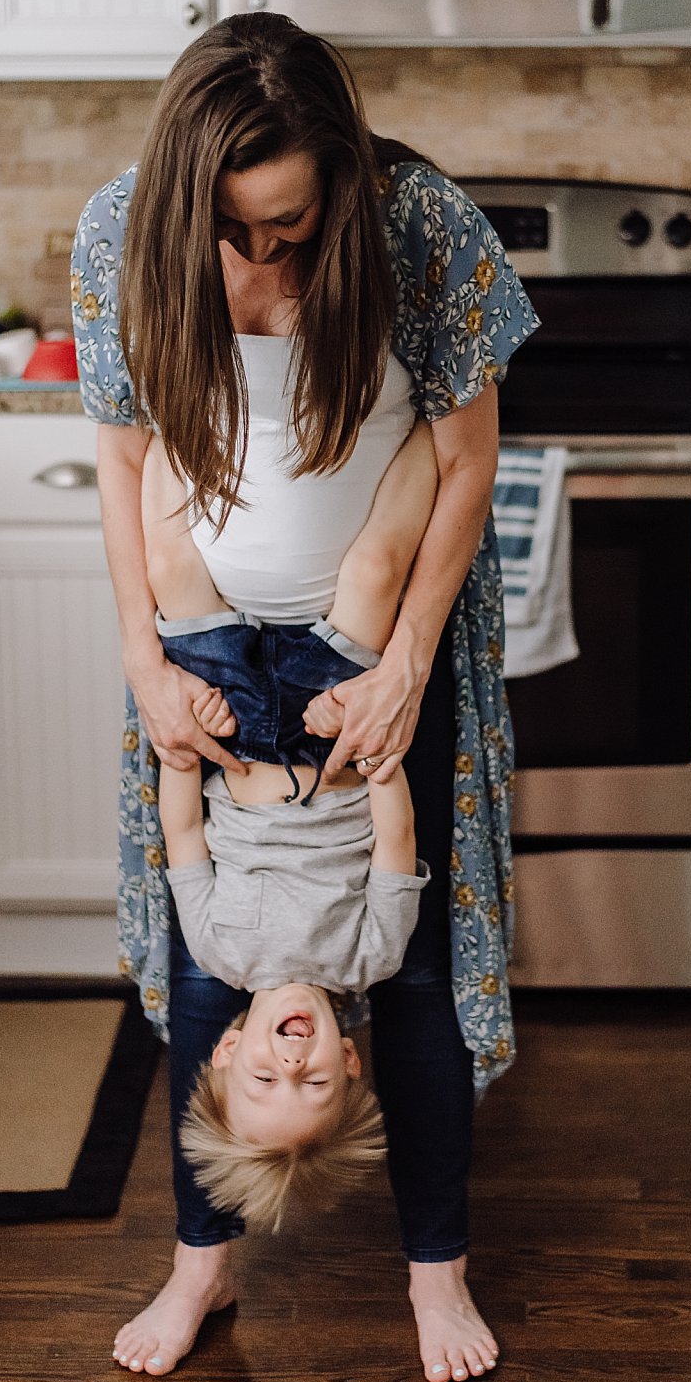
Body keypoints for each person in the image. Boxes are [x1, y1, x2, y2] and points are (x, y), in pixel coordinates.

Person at [70, 11, 536, 1382]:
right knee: (212, 976)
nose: (266, 263)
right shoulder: (119, 230)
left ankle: (436, 1272)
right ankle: (201, 1266)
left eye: (292, 228)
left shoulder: (418, 221)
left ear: (342, 180)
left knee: (420, 986)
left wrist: (400, 671)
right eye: (235, 234)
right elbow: (119, 462)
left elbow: (463, 460)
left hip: (386, 646)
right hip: (199, 651)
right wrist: (146, 661)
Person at [148, 420, 440, 1225]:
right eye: (312, 1080)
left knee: (173, 562)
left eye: (265, 1076)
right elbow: (395, 846)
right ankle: (430, 429)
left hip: (232, 725)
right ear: (348, 1060)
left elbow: (184, 841)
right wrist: (375, 752)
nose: (290, 1058)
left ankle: (167, 427)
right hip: (329, 722)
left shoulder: (218, 948)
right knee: (375, 568)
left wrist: (181, 754)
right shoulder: (370, 957)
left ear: (230, 1050)